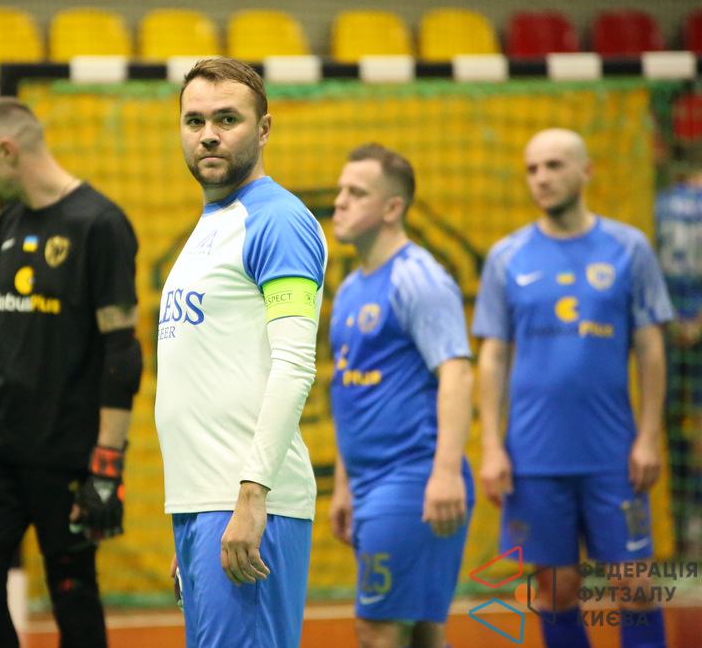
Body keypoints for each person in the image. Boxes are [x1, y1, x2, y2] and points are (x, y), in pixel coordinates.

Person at [0, 98, 141, 647]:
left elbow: (122, 353)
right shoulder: (6, 221)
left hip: (65, 452)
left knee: (72, 591)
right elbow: (4, 341)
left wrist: (107, 465)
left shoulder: (100, 224)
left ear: (8, 151)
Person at [474, 128, 672, 648]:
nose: (542, 178)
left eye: (555, 165)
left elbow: (650, 347)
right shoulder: (507, 256)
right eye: (532, 169)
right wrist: (492, 446)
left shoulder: (629, 247)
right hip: (534, 459)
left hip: (614, 454)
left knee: (635, 586)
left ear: (586, 171)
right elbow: (492, 355)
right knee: (556, 589)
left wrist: (649, 436)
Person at [155, 57, 328, 648]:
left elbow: (295, 366)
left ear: (264, 128)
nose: (208, 134)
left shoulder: (278, 221)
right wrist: (193, 518)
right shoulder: (212, 223)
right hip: (206, 507)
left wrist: (251, 498)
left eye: (227, 119)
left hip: (249, 503)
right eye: (195, 121)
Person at [327, 144, 473, 648]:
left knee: (378, 629)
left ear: (393, 208)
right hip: (371, 484)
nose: (339, 202)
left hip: (412, 478)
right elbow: (349, 390)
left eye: (356, 193)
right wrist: (345, 485)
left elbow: (457, 373)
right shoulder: (350, 288)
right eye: (341, 190)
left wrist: (445, 473)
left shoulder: (419, 278)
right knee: (423, 634)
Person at [654, 163, 702, 556]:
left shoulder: (658, 203)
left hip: (666, 326)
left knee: (666, 420)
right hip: (688, 325)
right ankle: (691, 515)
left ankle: (680, 516)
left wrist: (671, 319)